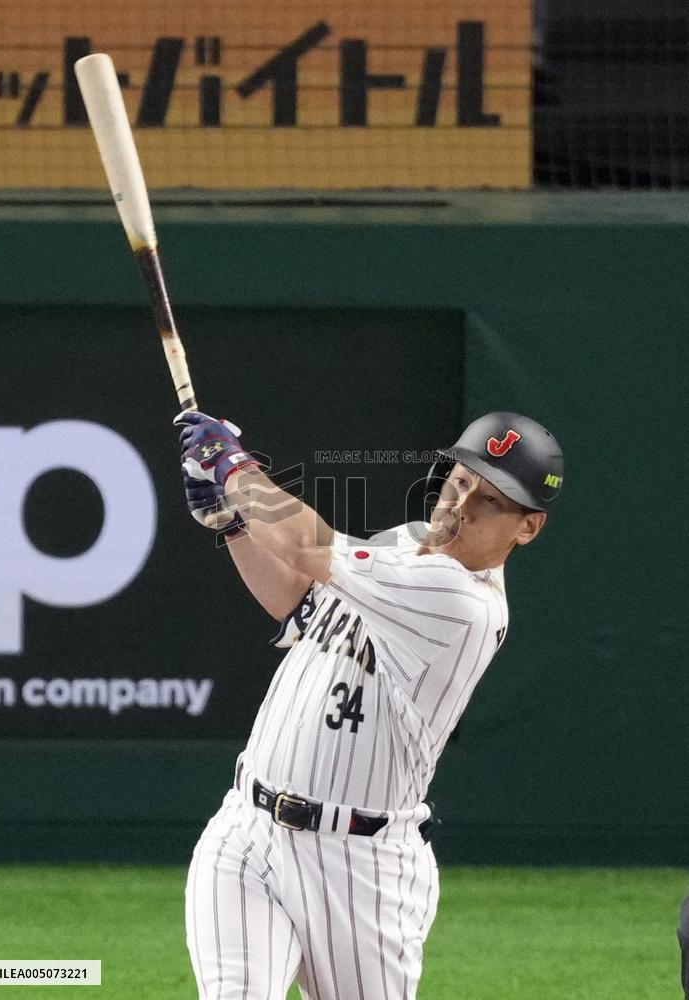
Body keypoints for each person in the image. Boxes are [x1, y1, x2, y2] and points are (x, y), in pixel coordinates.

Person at [176, 409, 564, 1000]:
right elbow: (295, 601)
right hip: (247, 830)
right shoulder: (408, 545)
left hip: (362, 870)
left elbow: (306, 544)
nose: (459, 505)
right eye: (460, 480)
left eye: (490, 501)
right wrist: (231, 522)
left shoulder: (463, 602)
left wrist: (232, 467)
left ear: (527, 528)